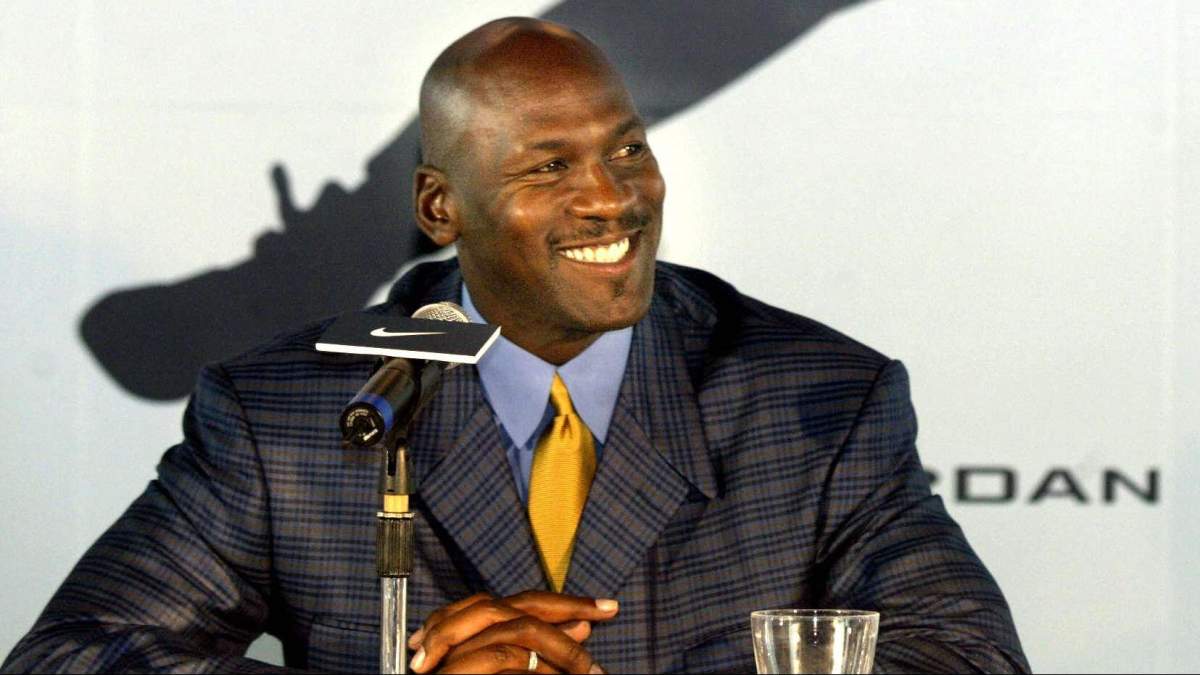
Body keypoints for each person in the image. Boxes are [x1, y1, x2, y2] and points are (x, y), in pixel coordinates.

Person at [3, 17, 1029, 674]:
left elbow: (968, 655)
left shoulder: (818, 396)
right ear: (439, 208)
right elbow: (70, 657)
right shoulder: (291, 410)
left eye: (628, 148)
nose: (612, 197)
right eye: (549, 168)